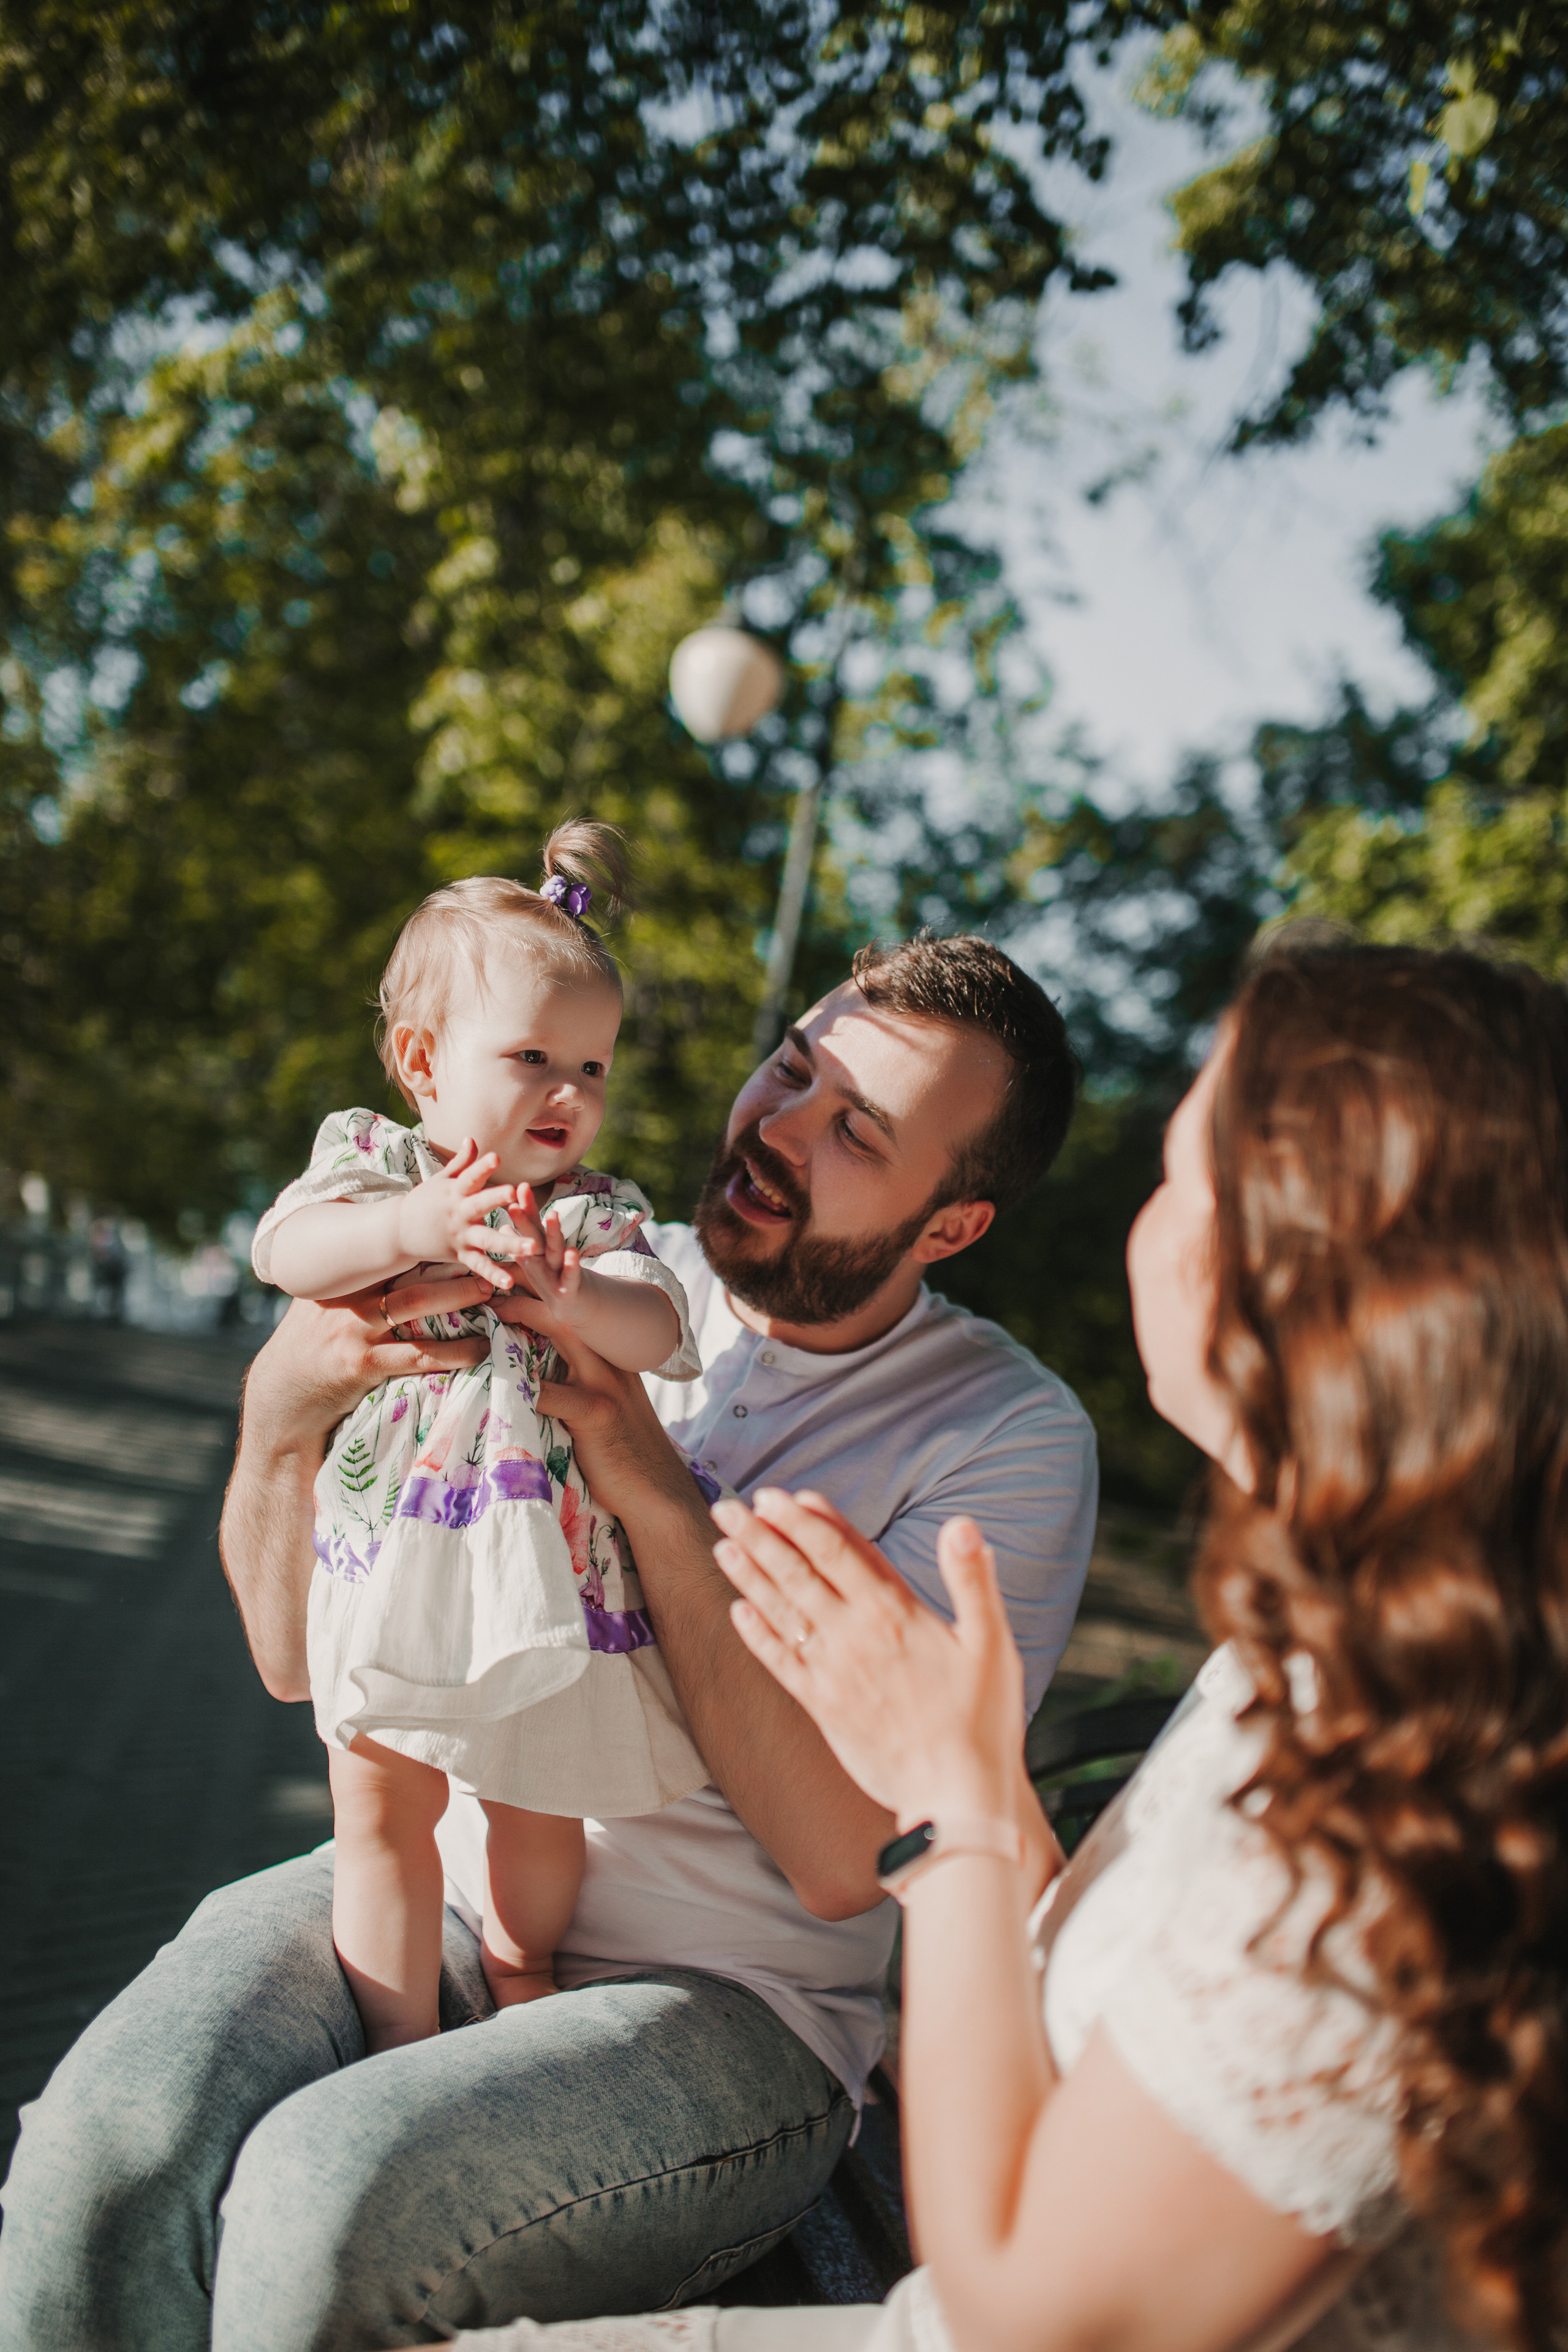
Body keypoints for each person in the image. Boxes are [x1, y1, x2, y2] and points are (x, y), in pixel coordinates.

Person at [458, 935, 1568, 2352]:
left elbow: (1019, 2323)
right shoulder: (1327, 1666)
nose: (1146, 1226)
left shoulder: (1415, 1790)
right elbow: (1091, 1991)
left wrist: (959, 1812)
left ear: (1305, 1275)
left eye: (1185, 1178)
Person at [0, 930, 1097, 2352]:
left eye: (856, 1134)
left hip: (727, 2004)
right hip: (426, 1892)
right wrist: (281, 1413)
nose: (777, 1131)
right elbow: (290, 1661)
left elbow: (846, 1861)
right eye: (790, 1070)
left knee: (322, 2198)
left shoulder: (1002, 1438)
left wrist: (643, 1473)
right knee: (105, 2148)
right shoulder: (595, 1248)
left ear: (948, 1225)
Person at [251, 821, 709, 2052]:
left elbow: (661, 1326)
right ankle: (397, 2037)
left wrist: (575, 1301)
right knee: (377, 1804)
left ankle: (521, 1961)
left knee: (535, 1794)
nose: (572, 1095)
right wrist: (411, 1222)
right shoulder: (377, 1163)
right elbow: (285, 1249)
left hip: (544, 1564)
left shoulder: (592, 1213)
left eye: (595, 1068)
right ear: (422, 1059)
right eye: (533, 1058)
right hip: (394, 1543)